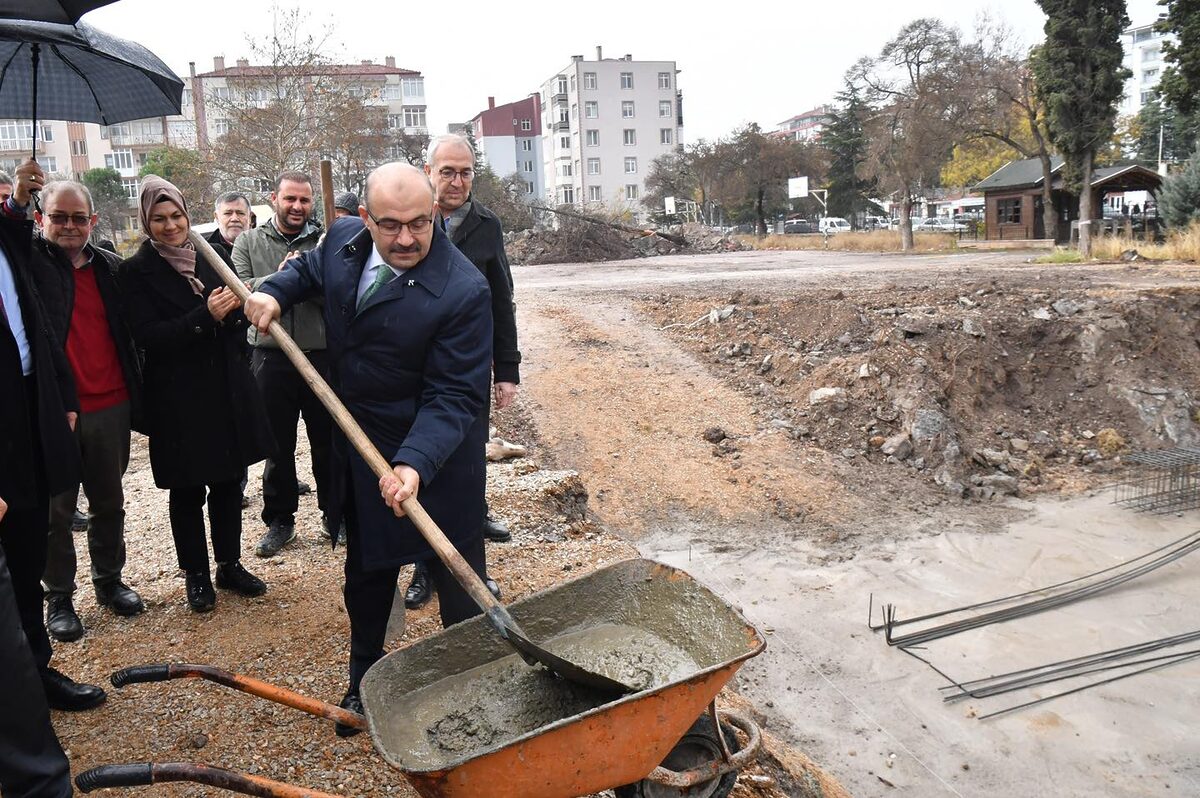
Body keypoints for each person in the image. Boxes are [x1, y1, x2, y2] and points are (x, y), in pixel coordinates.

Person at [244, 162, 493, 737]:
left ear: (434, 214)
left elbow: (455, 395)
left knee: (456, 576)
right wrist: (273, 293)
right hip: (360, 443)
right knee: (368, 572)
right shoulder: (341, 242)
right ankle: (365, 679)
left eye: (419, 224)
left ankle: (475, 686)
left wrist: (414, 462)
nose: (406, 239)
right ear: (365, 220)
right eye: (390, 226)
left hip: (437, 452)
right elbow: (306, 270)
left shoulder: (462, 290)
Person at [118, 175, 273, 612]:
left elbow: (239, 318)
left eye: (177, 215)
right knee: (187, 490)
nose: (171, 226)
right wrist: (203, 316)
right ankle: (197, 575)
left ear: (188, 214)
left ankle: (228, 564)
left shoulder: (214, 256)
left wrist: (235, 316)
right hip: (178, 398)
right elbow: (147, 336)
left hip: (224, 389)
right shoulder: (135, 272)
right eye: (159, 219)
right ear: (147, 223)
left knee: (227, 483)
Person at [0, 158, 107, 712]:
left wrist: (59, 399)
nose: (68, 227)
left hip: (28, 404)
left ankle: (34, 673)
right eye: (55, 216)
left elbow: (40, 331)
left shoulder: (12, 246)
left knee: (26, 537)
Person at [404, 134, 520, 610]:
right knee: (419, 471)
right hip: (414, 371)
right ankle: (422, 569)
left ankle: (474, 572)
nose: (456, 181)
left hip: (467, 372)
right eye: (447, 171)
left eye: (465, 172)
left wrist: (506, 369)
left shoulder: (486, 226)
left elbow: (501, 300)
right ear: (427, 171)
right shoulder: (409, 220)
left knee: (468, 474)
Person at [27, 177, 145, 643]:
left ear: (93, 221)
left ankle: (109, 580)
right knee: (56, 510)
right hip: (54, 409)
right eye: (58, 217)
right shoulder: (28, 268)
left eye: (79, 218)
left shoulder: (111, 270)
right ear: (41, 219)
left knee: (109, 500)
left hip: (110, 402)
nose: (69, 226)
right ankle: (58, 595)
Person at [233, 171, 335, 556]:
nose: (297, 207)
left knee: (328, 440)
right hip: (270, 356)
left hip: (320, 353)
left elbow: (339, 290)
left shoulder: (326, 242)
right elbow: (239, 290)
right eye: (290, 199)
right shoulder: (248, 241)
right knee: (277, 445)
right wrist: (282, 278)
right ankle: (280, 520)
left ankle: (334, 516)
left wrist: (305, 275)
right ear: (274, 197)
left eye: (304, 200)